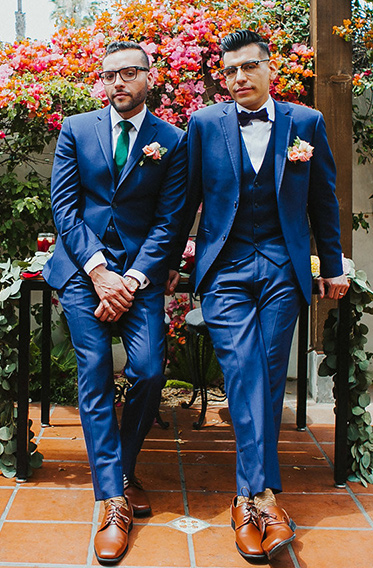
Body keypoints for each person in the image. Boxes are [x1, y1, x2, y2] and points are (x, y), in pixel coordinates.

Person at [176, 30, 349, 562]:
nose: (239, 78)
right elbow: (185, 199)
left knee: (271, 373)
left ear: (271, 69)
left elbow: (324, 199)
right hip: (224, 266)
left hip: (281, 265)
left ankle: (248, 497)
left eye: (249, 67)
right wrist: (165, 263)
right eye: (229, 71)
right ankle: (262, 497)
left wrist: (335, 265)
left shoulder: (306, 123)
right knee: (244, 368)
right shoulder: (204, 125)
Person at [43, 41, 187, 565]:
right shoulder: (76, 130)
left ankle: (122, 469)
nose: (118, 82)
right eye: (110, 75)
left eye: (129, 73)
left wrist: (129, 280)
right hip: (84, 271)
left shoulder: (170, 139)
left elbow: (170, 220)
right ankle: (111, 501)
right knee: (96, 369)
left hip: (138, 277)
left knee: (149, 370)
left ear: (150, 78)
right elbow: (65, 206)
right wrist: (100, 272)